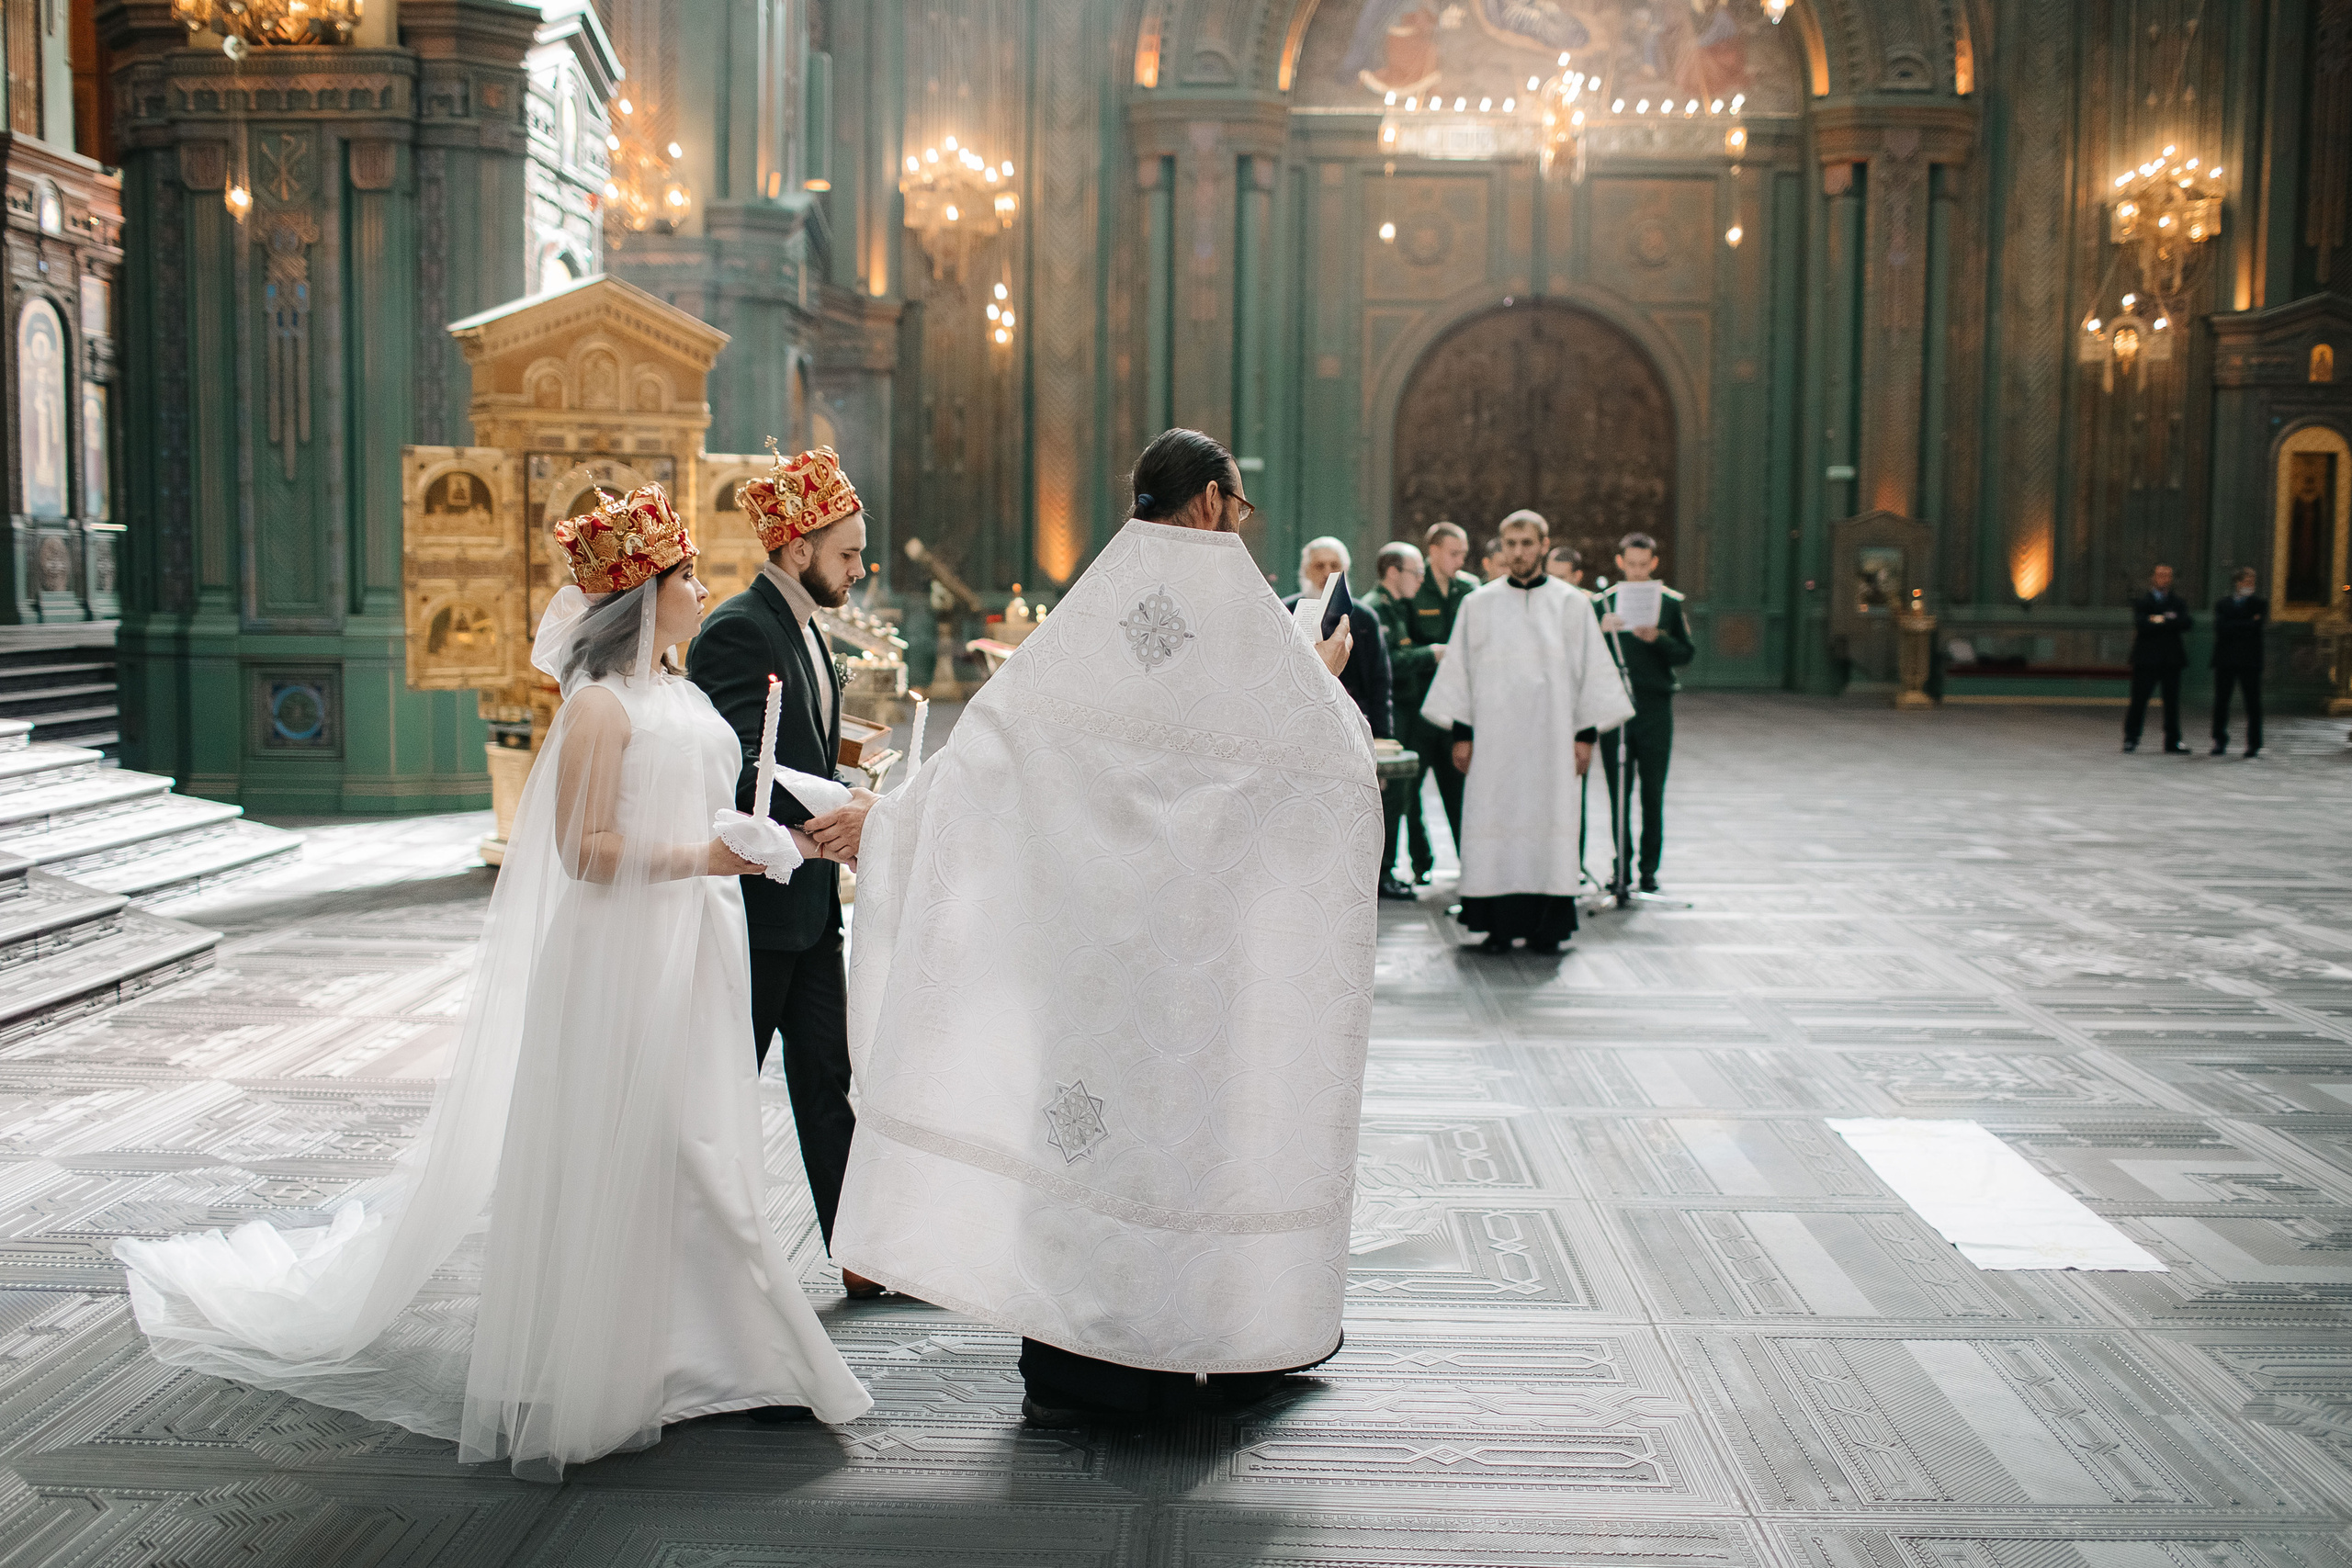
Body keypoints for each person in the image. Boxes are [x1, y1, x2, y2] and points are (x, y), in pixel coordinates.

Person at [112, 486, 871, 1480]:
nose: (700, 589)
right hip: (624, 949)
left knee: (702, 1134)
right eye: (685, 576)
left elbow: (710, 802)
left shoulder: (683, 695)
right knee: (653, 1134)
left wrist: (767, 842)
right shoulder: (598, 709)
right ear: (643, 596)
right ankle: (678, 1353)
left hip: (701, 940)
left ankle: (702, 1344)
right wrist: (705, 857)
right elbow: (583, 850)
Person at [831, 428, 1373, 1425]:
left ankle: (1080, 1363)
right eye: (1237, 507)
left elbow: (993, 750)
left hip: (1089, 959)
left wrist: (893, 822)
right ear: (1209, 502)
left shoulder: (1091, 614)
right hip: (1201, 966)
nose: (1238, 525)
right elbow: (1327, 764)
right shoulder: (1245, 617)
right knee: (1191, 1144)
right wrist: (1322, 681)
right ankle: (1209, 1345)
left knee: (1083, 1141)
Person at [688, 445, 888, 1297]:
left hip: (810, 905)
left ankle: (863, 1252)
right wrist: (836, 816)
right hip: (758, 902)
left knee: (826, 1078)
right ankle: (695, 1257)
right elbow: (740, 773)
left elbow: (795, 751)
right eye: (848, 552)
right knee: (726, 1085)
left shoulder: (807, 626)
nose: (859, 568)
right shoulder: (740, 627)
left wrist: (851, 780)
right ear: (798, 547)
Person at [1422, 509, 1634, 953]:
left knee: (1548, 825)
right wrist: (1462, 734)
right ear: (1502, 547)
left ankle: (1546, 928)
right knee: (1494, 821)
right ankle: (1496, 927)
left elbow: (1591, 674)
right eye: (1511, 544)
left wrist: (1585, 738)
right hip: (1494, 743)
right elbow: (1461, 673)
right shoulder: (1479, 604)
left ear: (1543, 545)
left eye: (1527, 543)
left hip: (1552, 743)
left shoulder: (1572, 604)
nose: (1518, 552)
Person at [1593, 532, 1695, 894]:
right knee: (1618, 793)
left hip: (1654, 706)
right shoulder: (1602, 604)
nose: (1637, 572)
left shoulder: (1668, 603)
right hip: (1615, 707)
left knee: (1653, 792)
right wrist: (1600, 631)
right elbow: (1584, 655)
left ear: (1653, 563)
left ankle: (1649, 870)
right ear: (1620, 563)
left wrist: (1659, 638)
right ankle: (1620, 868)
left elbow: (1686, 653)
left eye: (1643, 565)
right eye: (1631, 565)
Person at [1363, 540, 1442, 897]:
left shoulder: (1401, 608)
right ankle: (1383, 873)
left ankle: (1393, 868)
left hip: (1406, 712)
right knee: (1390, 797)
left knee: (1403, 795)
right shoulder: (1376, 609)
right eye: (1416, 572)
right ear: (1393, 572)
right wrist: (1429, 655)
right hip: (1388, 716)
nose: (1421, 579)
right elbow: (1386, 664)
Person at [1410, 521, 1483, 855]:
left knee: (1460, 791)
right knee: (1411, 793)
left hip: (1457, 708)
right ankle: (1420, 862)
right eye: (1454, 553)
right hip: (1420, 705)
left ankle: (1470, 862)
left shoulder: (1470, 589)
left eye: (1463, 554)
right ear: (1434, 551)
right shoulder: (1415, 586)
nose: (1460, 561)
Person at [1285, 535, 1395, 750]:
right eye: (1319, 566)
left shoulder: (1364, 617)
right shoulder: (1286, 612)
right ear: (1305, 571)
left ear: (1345, 570)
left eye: (1334, 565)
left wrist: (1382, 735)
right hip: (1299, 724)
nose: (1327, 573)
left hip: (1353, 723)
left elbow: (1380, 681)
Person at [2123, 562, 2193, 754]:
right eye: (2160, 575)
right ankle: (2131, 738)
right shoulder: (2143, 601)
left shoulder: (2178, 602)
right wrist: (2167, 619)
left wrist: (2157, 619)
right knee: (2139, 700)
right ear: (2153, 578)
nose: (2164, 579)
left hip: (2171, 659)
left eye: (2168, 575)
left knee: (2172, 703)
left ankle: (2173, 741)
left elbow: (2186, 622)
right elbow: (2142, 623)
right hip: (2146, 659)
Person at [2211, 566, 2267, 759]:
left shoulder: (2259, 604)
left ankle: (2253, 744)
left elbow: (2256, 626)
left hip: (2250, 661)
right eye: (2246, 581)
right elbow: (2221, 628)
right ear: (2238, 582)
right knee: (2221, 702)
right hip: (2225, 660)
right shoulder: (2223, 604)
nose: (2250, 585)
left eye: (2252, 582)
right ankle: (2219, 740)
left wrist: (2235, 624)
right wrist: (2247, 623)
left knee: (2253, 704)